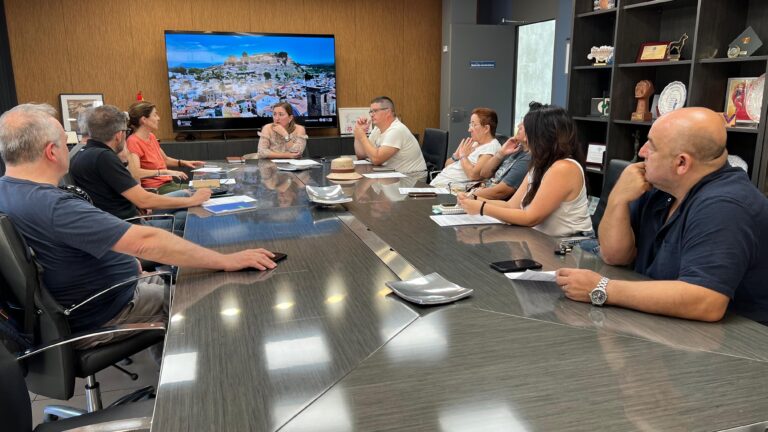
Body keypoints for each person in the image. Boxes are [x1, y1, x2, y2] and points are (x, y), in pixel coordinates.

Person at [0, 103, 277, 352]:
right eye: (65, 142)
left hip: (78, 306)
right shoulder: (52, 204)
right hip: (105, 310)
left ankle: (164, 368)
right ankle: (185, 393)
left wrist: (130, 265)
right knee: (221, 290)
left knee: (189, 274)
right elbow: (145, 241)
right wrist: (227, 260)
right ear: (51, 152)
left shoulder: (9, 192)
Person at [555, 107, 768, 324]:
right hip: (669, 325)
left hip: (739, 344)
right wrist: (618, 199)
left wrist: (602, 288)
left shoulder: (726, 206)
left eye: (652, 146)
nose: (642, 152)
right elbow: (615, 255)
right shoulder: (662, 186)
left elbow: (706, 301)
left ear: (682, 163)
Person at [70, 105, 211, 234]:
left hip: (123, 225)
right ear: (119, 135)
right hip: (130, 230)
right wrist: (192, 201)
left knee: (185, 216)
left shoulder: (84, 154)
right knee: (197, 226)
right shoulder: (103, 157)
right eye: (126, 132)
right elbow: (144, 201)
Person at [458, 105, 593, 237]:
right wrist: (474, 199)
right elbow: (511, 206)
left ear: (542, 135)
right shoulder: (540, 164)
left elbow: (531, 218)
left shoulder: (564, 168)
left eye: (527, 131)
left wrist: (481, 208)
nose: (524, 136)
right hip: (543, 241)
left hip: (568, 248)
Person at [126, 101, 204, 194]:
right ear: (144, 120)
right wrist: (164, 172)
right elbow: (135, 172)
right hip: (157, 189)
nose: (158, 118)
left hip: (169, 184)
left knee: (209, 186)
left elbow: (165, 160)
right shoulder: (133, 141)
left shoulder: (151, 136)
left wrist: (184, 163)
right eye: (155, 115)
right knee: (202, 191)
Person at [471, 102, 542, 200]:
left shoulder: (528, 158)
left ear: (533, 131)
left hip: (492, 203)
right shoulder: (516, 148)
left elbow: (500, 192)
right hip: (482, 195)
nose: (518, 126)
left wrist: (470, 195)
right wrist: (500, 153)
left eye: (524, 123)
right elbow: (484, 173)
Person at [430, 107, 502, 188]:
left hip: (451, 190)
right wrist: (456, 157)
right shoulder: (474, 144)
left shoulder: (491, 148)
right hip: (438, 184)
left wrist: (463, 156)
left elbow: (473, 176)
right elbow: (447, 165)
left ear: (486, 128)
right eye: (470, 125)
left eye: (474, 125)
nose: (469, 129)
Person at [353, 96, 427, 173]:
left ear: (388, 112)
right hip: (392, 175)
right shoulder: (377, 129)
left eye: (375, 111)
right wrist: (358, 134)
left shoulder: (397, 130)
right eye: (371, 111)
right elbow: (361, 155)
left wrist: (362, 136)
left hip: (412, 177)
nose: (371, 115)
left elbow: (376, 160)